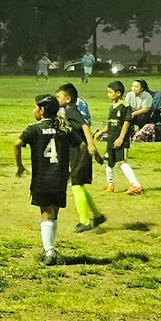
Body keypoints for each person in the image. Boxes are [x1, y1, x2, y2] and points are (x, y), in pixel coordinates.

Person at [15, 94, 72, 266]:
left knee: (45, 214)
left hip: (42, 177)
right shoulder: (64, 129)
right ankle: (52, 248)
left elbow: (17, 143)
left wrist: (19, 165)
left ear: (41, 110)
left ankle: (49, 253)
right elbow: (81, 145)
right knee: (54, 213)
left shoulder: (34, 129)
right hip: (60, 177)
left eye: (34, 107)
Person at [56, 83, 106, 233]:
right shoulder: (67, 111)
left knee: (76, 185)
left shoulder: (72, 111)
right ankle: (97, 216)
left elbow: (85, 126)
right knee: (79, 185)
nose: (57, 99)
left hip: (80, 151)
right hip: (77, 151)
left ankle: (84, 221)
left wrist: (91, 146)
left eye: (59, 96)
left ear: (68, 98)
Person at [96, 80, 143, 195]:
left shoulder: (125, 106)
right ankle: (110, 184)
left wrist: (121, 138)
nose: (108, 94)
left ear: (118, 93)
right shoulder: (112, 107)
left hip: (120, 140)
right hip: (111, 139)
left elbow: (126, 122)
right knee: (109, 162)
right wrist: (100, 132)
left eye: (110, 92)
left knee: (122, 162)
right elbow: (111, 123)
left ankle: (136, 185)